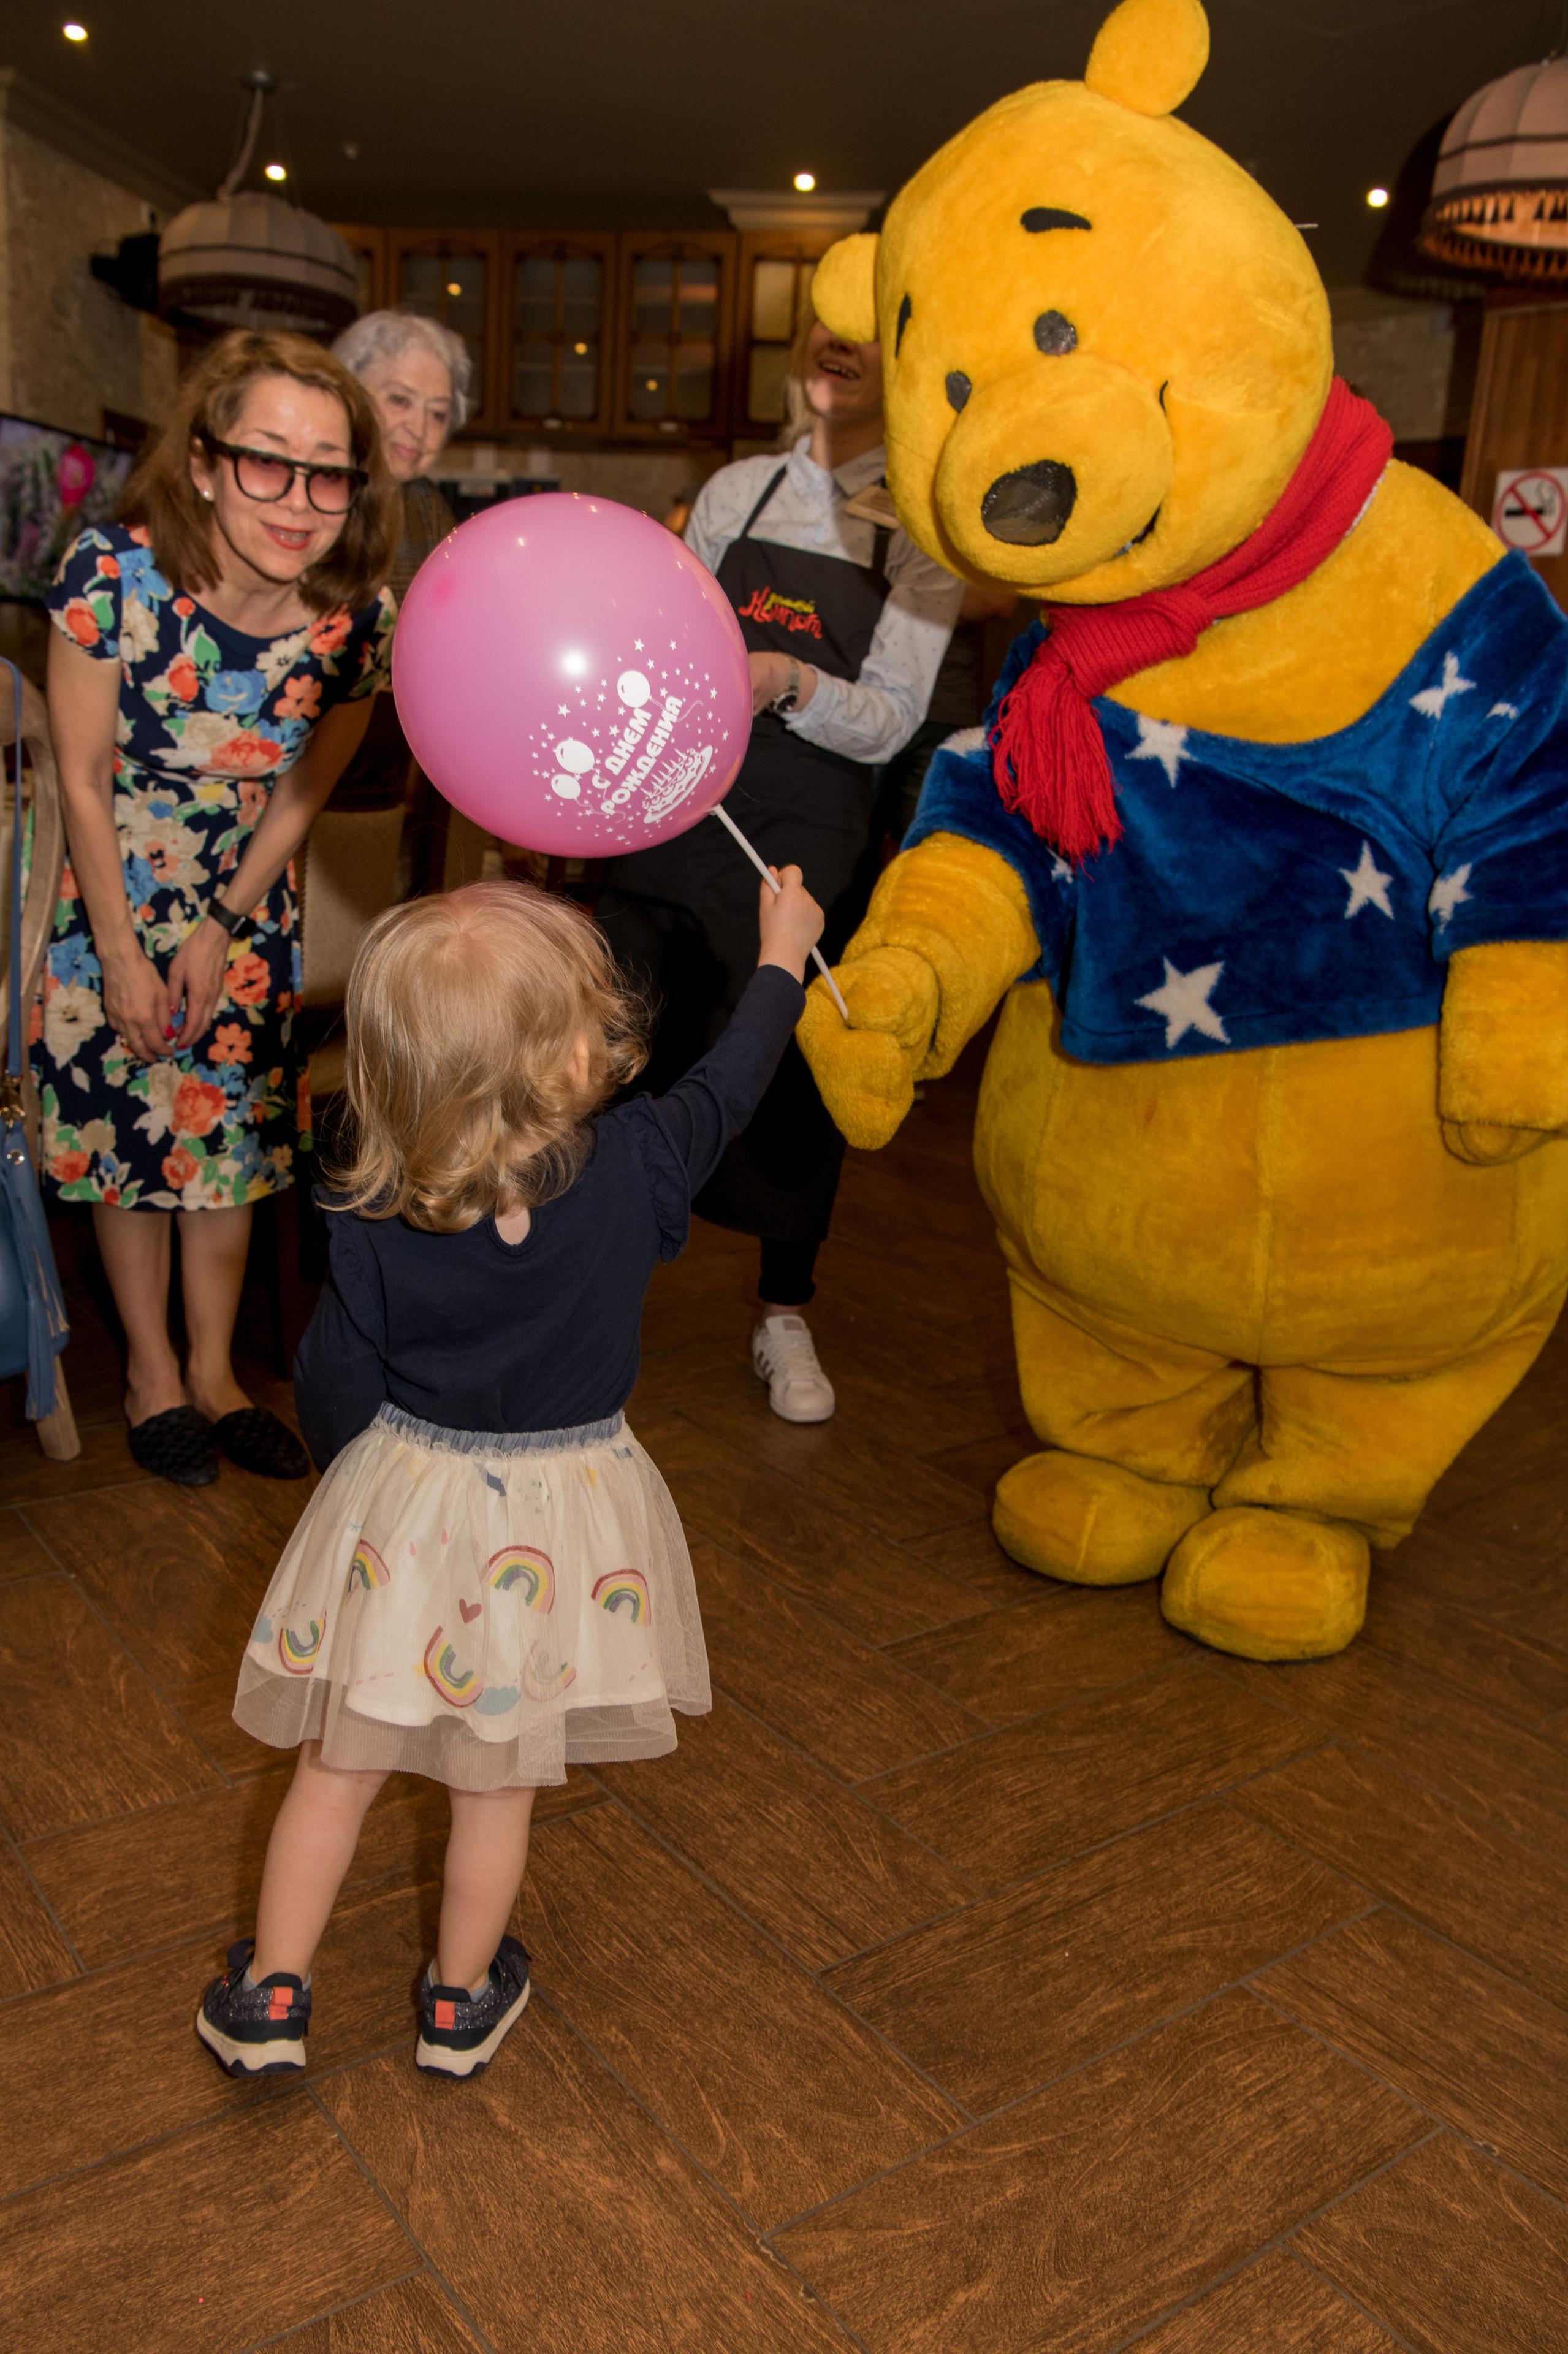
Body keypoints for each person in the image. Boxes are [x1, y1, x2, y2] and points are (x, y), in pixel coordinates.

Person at [194, 867, 823, 2079]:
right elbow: (731, 1084)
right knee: (497, 1784)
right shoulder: (640, 1156)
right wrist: (781, 958)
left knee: (339, 1766)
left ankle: (271, 1999)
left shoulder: (371, 1206)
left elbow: (333, 1376)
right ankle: (457, 2001)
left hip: (406, 1515)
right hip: (558, 1528)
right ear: (570, 1059)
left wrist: (352, 1493)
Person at [40, 330, 398, 1488]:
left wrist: (219, 925)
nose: (299, 499)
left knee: (229, 1148)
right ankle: (149, 1371)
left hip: (245, 906)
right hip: (107, 893)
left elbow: (300, 792)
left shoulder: (358, 620)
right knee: (130, 1141)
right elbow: (82, 782)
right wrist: (124, 953)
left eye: (328, 470)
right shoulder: (110, 576)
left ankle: (217, 1373)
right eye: (267, 460)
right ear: (203, 463)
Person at [596, 310, 963, 1424]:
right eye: (829, 327)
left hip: (811, 824)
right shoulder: (737, 491)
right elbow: (670, 644)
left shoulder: (927, 534)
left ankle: (784, 1315)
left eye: (873, 332)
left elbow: (896, 719)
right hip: (680, 807)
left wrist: (787, 681)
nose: (840, 348)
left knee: (794, 1070)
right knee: (619, 1038)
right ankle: (590, 1282)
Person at [327, 312, 469, 879]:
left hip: (395, 778)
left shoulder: (427, 505)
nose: (421, 430)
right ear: (349, 392)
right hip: (305, 768)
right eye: (400, 401)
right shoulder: (308, 493)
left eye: (438, 413)